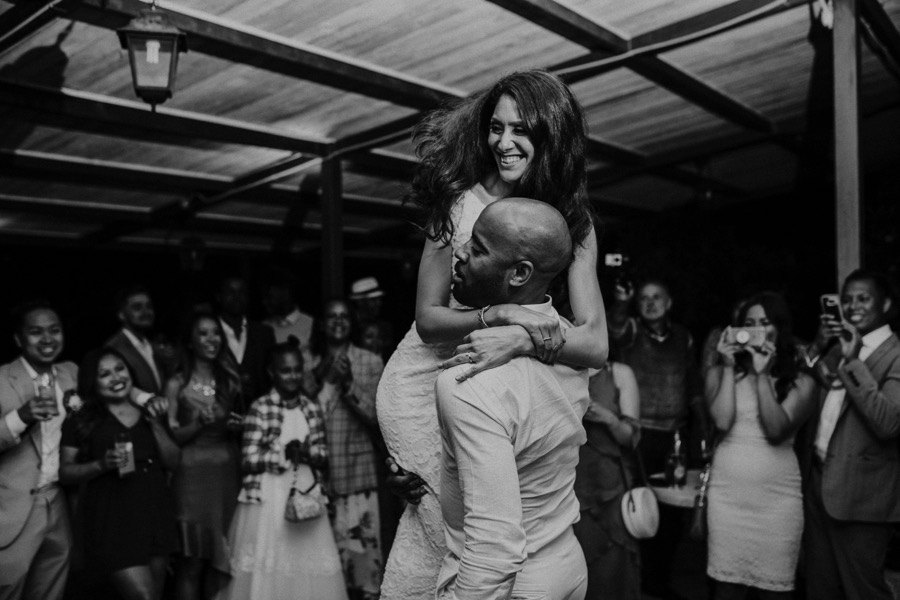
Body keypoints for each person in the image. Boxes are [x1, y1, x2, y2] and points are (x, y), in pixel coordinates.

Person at [377, 68, 608, 600]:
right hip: (423, 382)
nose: (503, 143)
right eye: (495, 127)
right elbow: (429, 320)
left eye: (520, 130)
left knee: (481, 531)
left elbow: (595, 344)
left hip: (495, 385)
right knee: (458, 533)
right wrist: (500, 318)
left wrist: (525, 338)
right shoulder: (459, 204)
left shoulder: (574, 221)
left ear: (551, 135)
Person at [435, 198, 590, 599]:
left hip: (516, 587)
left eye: (480, 248)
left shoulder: (469, 379)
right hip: (567, 564)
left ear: (520, 273)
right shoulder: (572, 341)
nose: (461, 252)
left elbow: (495, 550)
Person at [705, 292, 817, 599]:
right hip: (727, 499)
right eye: (749, 323)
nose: (756, 329)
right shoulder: (718, 372)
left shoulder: (803, 381)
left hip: (777, 504)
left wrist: (762, 376)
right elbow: (723, 422)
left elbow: (776, 431)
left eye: (765, 323)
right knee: (726, 591)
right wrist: (729, 366)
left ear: (779, 329)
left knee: (775, 590)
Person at [800, 269, 900, 600]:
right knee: (819, 587)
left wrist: (854, 359)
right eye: (847, 299)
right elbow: (808, 380)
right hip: (818, 481)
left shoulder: (896, 354)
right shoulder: (838, 345)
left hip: (862, 496)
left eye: (863, 298)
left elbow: (888, 424)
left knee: (863, 591)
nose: (853, 306)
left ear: (885, 304)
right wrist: (817, 344)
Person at [219, 341, 347, 600]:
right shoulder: (261, 408)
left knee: (304, 559)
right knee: (270, 559)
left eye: (297, 370)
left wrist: (308, 453)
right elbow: (248, 458)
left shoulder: (310, 407)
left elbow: (323, 453)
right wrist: (280, 455)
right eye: (285, 371)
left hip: (305, 491)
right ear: (272, 373)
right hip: (268, 496)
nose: (293, 376)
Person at [607, 277, 705, 599]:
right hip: (639, 436)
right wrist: (622, 302)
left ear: (669, 302)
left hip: (674, 436)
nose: (649, 302)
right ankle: (637, 581)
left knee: (673, 516)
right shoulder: (632, 330)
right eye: (644, 298)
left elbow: (693, 388)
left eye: (656, 297)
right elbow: (616, 328)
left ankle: (659, 581)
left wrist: (702, 431)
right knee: (638, 508)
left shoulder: (682, 337)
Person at [59, 347, 178, 600]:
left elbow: (174, 462)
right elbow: (66, 472)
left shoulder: (151, 411)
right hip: (113, 522)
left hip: (155, 514)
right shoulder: (81, 419)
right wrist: (101, 465)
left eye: (120, 369)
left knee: (156, 595)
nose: (116, 378)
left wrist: (156, 423)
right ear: (93, 381)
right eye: (104, 374)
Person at [310, 299, 385, 600]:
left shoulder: (371, 361)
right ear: (322, 323)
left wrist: (349, 383)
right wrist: (324, 377)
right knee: (325, 564)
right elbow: (302, 411)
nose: (338, 322)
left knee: (364, 567)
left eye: (344, 317)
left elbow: (377, 417)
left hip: (358, 471)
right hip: (318, 471)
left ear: (351, 323)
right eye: (332, 316)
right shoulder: (306, 359)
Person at [0, 301, 76, 600]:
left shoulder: (72, 374)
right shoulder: (1, 380)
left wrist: (146, 397)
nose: (47, 339)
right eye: (36, 332)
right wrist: (21, 417)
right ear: (19, 339)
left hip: (58, 502)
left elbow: (113, 380)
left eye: (54, 330)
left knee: (51, 591)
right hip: (11, 508)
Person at [165, 311, 243, 600]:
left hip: (225, 472)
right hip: (191, 476)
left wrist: (236, 426)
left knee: (221, 557)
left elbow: (236, 422)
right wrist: (199, 423)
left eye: (216, 334)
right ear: (190, 341)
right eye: (203, 333)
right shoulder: (177, 383)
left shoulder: (230, 380)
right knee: (192, 561)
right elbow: (171, 436)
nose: (211, 339)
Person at [573, 361, 642, 600]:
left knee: (612, 575)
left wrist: (607, 417)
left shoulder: (619, 373)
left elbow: (630, 439)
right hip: (568, 488)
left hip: (609, 490)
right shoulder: (555, 370)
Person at [217, 275, 276, 407]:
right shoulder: (211, 332)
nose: (237, 297)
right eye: (230, 292)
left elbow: (272, 374)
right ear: (219, 297)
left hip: (259, 412)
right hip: (218, 413)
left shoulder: (264, 333)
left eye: (241, 292)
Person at [106, 284, 175, 396]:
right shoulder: (114, 348)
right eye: (137, 308)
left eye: (149, 306)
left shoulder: (151, 345)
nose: (146, 312)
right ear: (121, 315)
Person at [262, 273, 314, 352]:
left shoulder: (310, 324)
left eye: (270, 297)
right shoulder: (264, 327)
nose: (264, 302)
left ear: (285, 294)